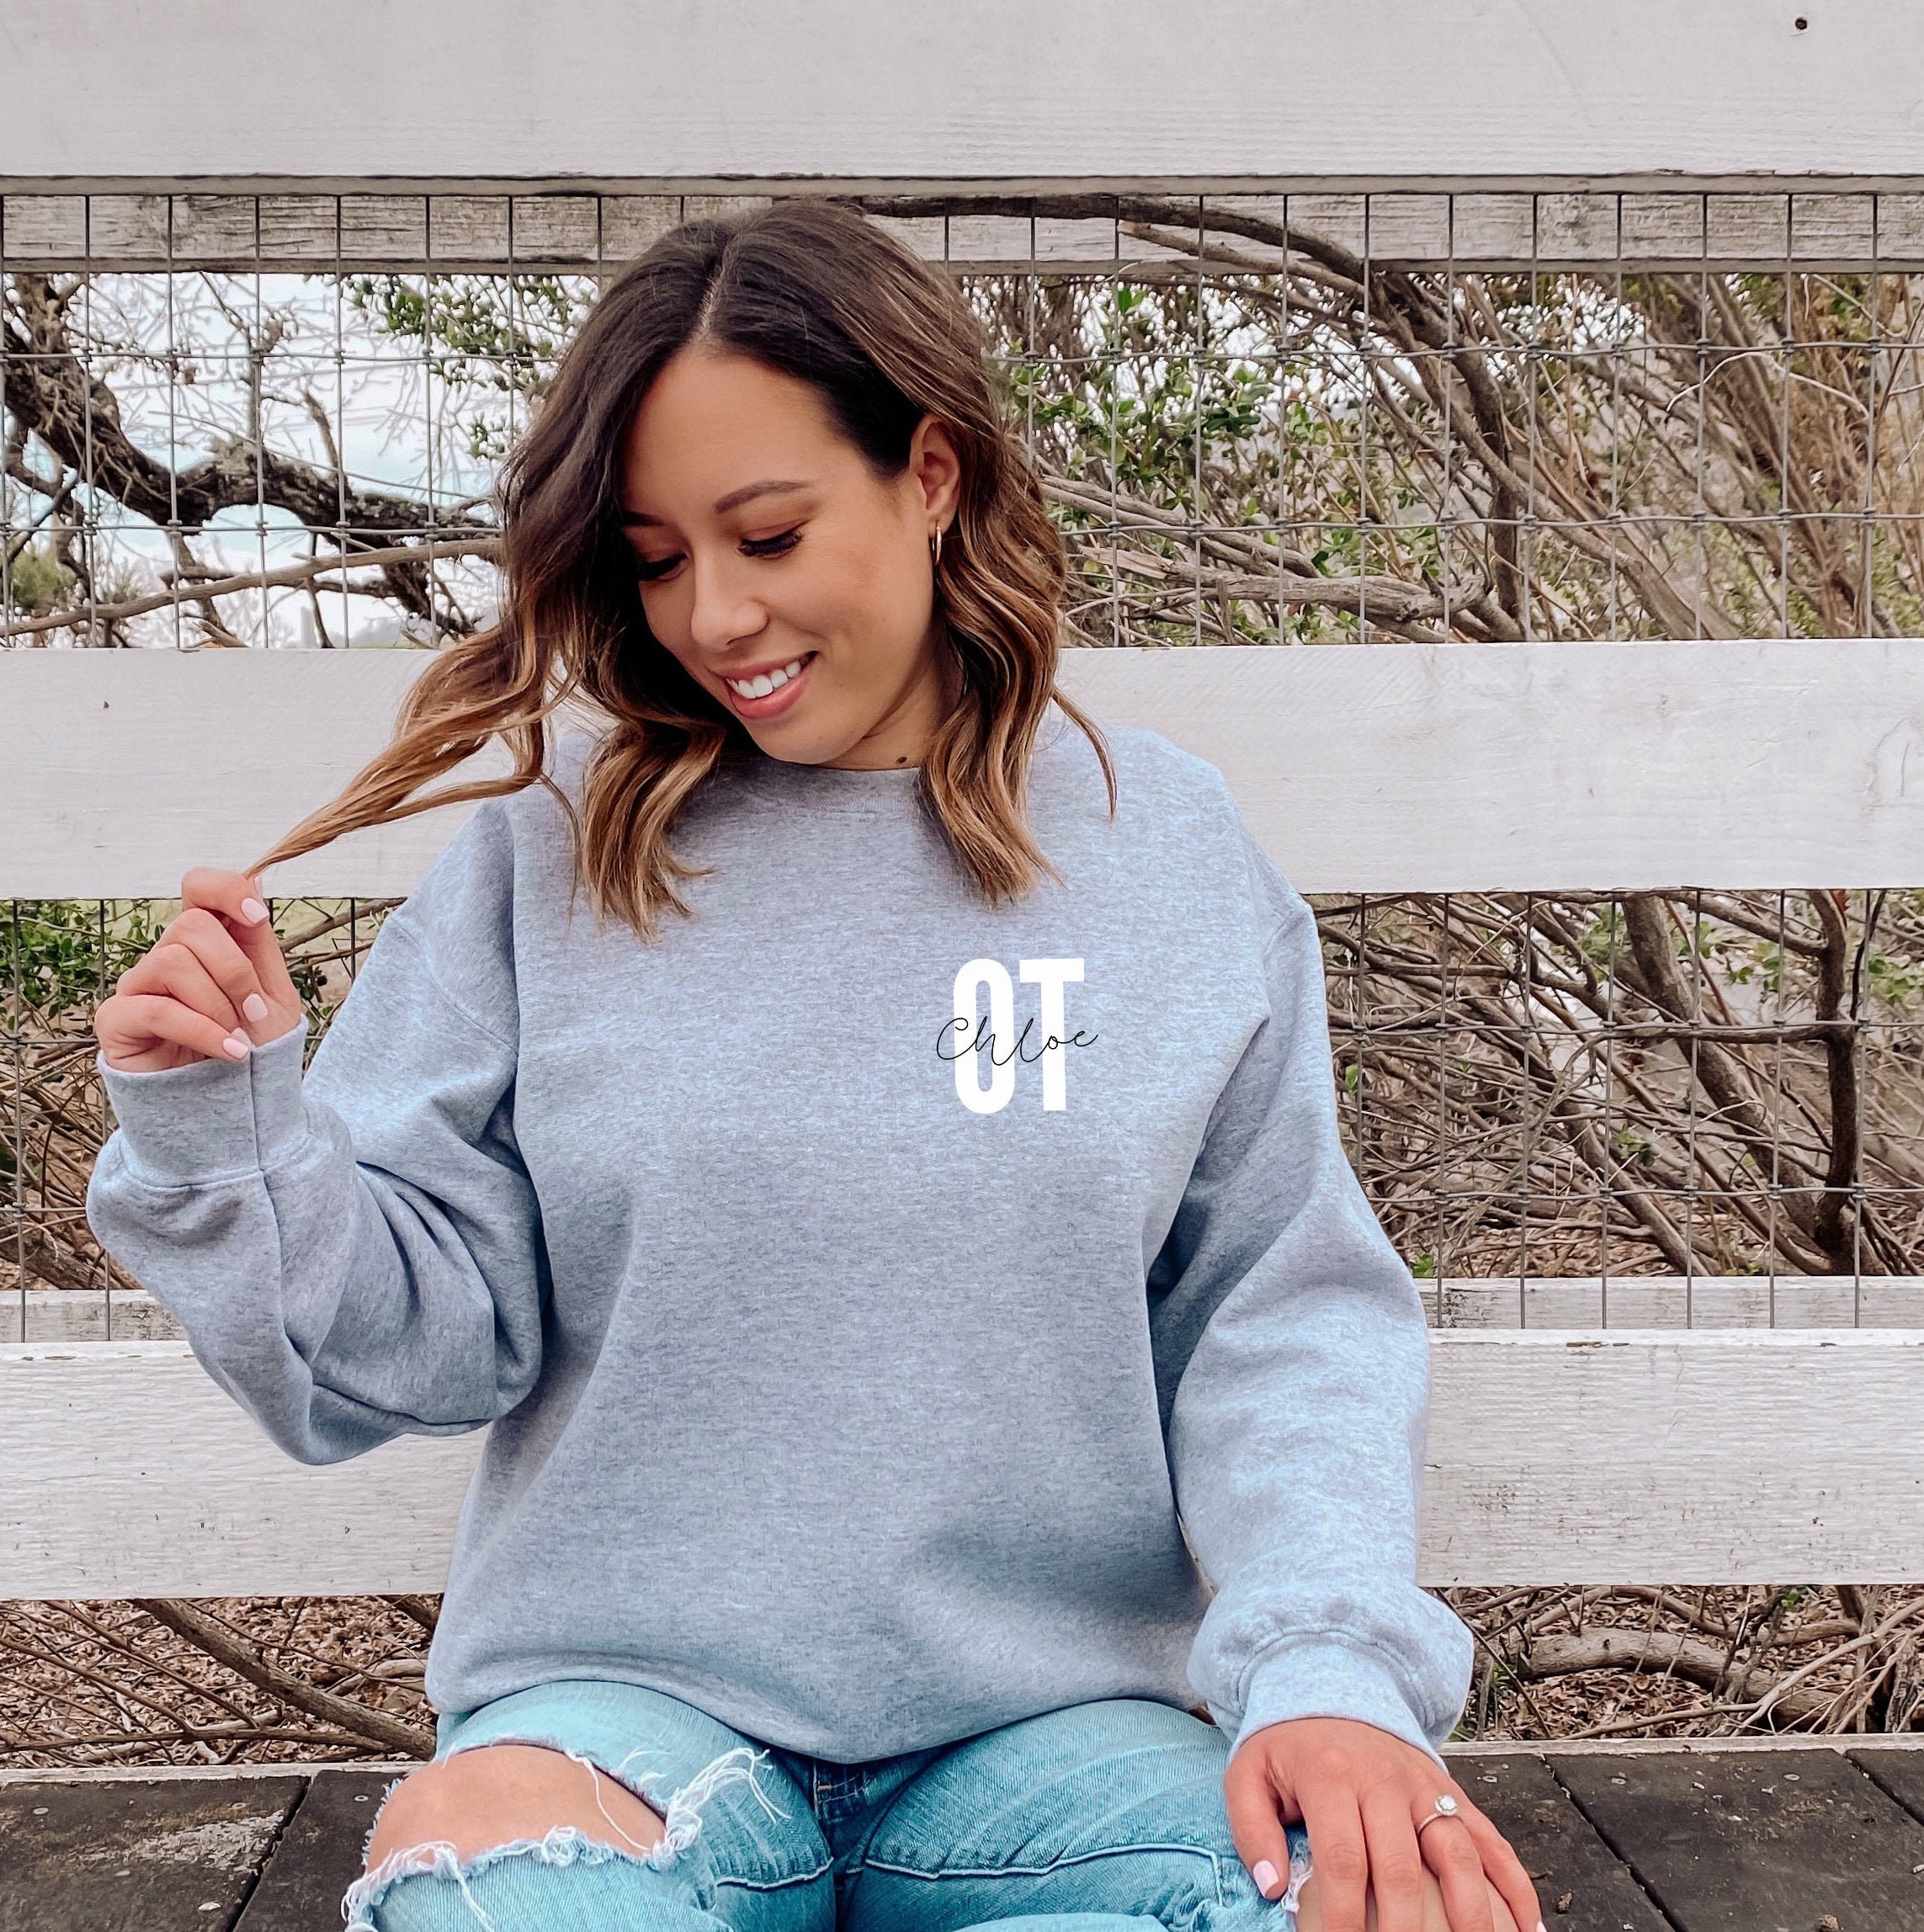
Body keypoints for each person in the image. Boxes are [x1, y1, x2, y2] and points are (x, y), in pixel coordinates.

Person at [84, 200, 1537, 1932]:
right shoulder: (544, 855)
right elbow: (400, 1353)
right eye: (655, 558)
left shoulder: (1162, 847)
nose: (715, 615)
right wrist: (232, 1126)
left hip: (1063, 1740)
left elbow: (1278, 1314)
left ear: (931, 473)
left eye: (769, 533)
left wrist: (1329, 1673)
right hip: (630, 1725)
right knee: (483, 1891)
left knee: (1374, 1906)